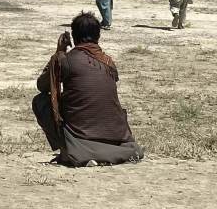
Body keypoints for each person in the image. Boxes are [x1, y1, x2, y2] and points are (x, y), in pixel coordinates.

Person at [33, 12, 143, 167]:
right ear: (98, 36)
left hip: (81, 135)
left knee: (40, 101)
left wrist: (58, 53)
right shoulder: (108, 62)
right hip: (117, 136)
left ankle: (68, 150)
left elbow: (42, 86)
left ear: (74, 36)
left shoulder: (67, 60)